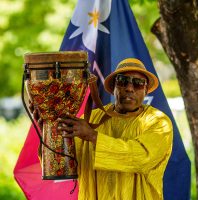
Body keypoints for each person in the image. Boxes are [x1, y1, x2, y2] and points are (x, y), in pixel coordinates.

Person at [31, 58, 173, 200]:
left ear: (146, 90)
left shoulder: (158, 122)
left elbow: (142, 157)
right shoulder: (92, 119)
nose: (129, 88)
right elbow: (64, 163)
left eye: (138, 83)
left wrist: (93, 136)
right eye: (123, 81)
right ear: (114, 87)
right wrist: (50, 130)